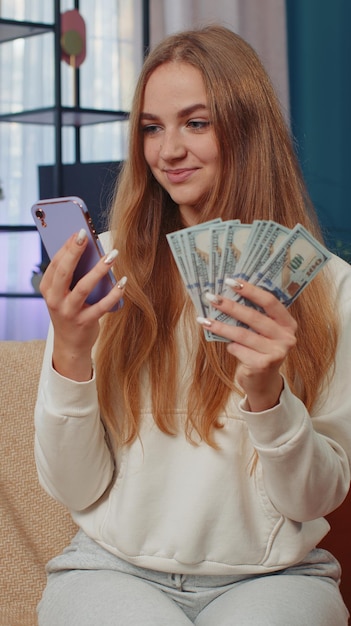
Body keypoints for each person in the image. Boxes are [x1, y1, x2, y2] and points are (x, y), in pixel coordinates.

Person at [35, 25, 351, 625]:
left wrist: (267, 396)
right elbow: (75, 489)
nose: (167, 151)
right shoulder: (99, 272)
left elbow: (315, 498)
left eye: (195, 123)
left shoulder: (330, 288)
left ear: (246, 128)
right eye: (152, 128)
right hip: (109, 568)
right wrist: (70, 356)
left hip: (276, 575)